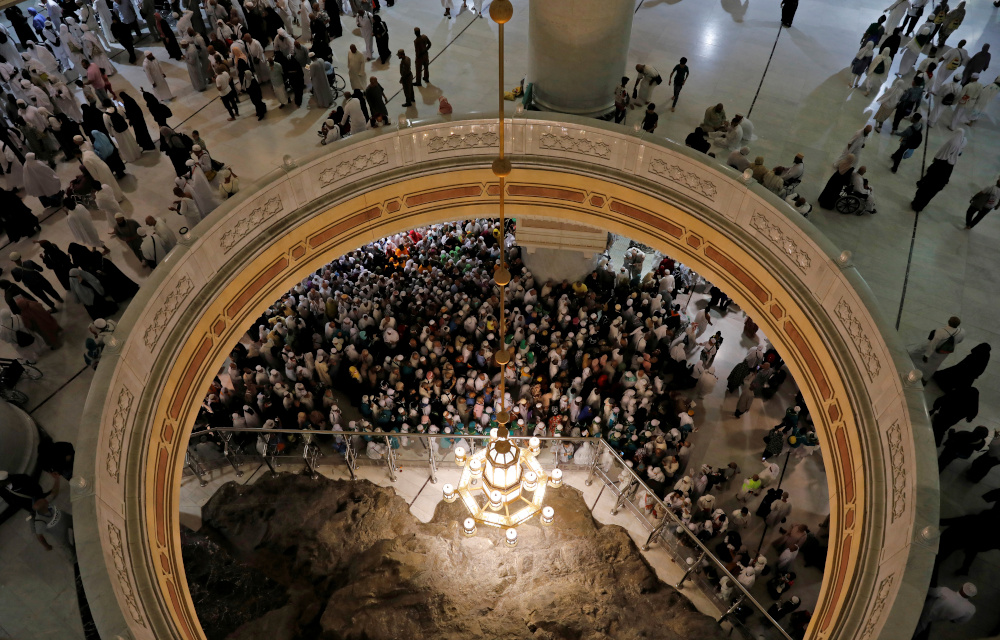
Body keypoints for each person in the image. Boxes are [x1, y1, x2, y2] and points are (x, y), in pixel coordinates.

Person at [911, 128, 965, 212]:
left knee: (921, 193)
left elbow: (930, 173)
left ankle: (915, 204)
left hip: (930, 183)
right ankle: (919, 207)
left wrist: (922, 180)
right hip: (936, 186)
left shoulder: (940, 163)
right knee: (928, 196)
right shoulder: (950, 166)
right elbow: (945, 180)